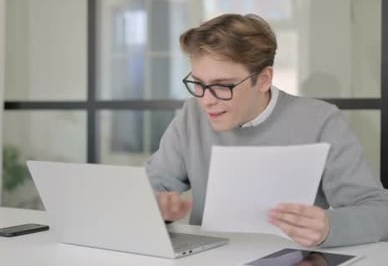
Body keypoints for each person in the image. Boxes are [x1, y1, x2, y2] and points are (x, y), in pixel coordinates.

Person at [145, 13, 388, 248]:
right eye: (198, 83)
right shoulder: (191, 116)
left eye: (221, 86)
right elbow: (150, 189)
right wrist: (156, 207)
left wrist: (329, 227)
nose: (206, 100)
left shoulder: (321, 120)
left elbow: (379, 211)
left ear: (263, 79)